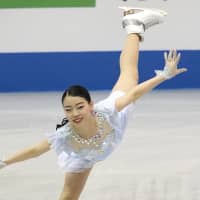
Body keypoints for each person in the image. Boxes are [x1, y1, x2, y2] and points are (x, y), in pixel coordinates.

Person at [0, 7, 187, 200]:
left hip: (116, 124)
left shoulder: (106, 111)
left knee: (129, 74)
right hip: (84, 156)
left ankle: (134, 25)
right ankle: (133, 26)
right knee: (68, 198)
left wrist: (164, 76)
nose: (75, 113)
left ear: (91, 104)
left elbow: (133, 94)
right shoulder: (65, 135)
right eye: (68, 109)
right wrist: (4, 161)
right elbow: (35, 150)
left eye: (79, 106)